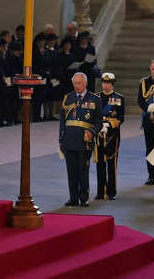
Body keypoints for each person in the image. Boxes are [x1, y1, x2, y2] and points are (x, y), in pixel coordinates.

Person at [60, 72, 102, 207]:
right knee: (71, 171)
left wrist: (92, 132)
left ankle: (84, 198)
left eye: (79, 83)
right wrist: (61, 138)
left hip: (84, 141)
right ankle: (73, 198)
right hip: (69, 140)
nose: (77, 86)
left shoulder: (95, 99)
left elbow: (99, 122)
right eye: (75, 83)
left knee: (83, 171)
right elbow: (63, 120)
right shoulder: (68, 97)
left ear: (85, 83)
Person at [96, 72, 124, 200]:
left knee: (111, 164)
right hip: (99, 135)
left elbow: (120, 118)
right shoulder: (95, 97)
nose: (105, 85)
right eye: (104, 83)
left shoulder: (119, 98)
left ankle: (111, 191)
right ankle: (100, 192)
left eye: (108, 83)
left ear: (112, 84)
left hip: (113, 135)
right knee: (100, 163)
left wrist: (109, 125)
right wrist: (99, 126)